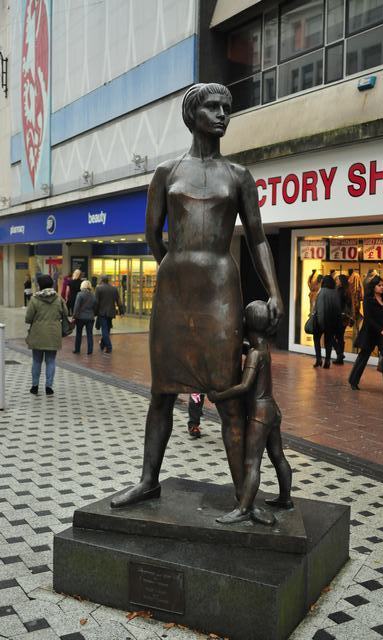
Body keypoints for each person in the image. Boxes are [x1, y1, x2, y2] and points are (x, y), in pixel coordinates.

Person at [111, 83, 283, 509]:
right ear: (192, 114)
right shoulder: (167, 173)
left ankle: (245, 498)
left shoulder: (238, 176)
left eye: (227, 107)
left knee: (228, 398)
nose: (223, 114)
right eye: (213, 106)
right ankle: (149, 480)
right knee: (162, 392)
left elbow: (258, 239)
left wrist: (275, 292)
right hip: (174, 294)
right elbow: (152, 233)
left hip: (221, 292)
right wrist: (175, 269)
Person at [209, 301, 293, 525]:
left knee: (251, 462)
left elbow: (245, 386)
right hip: (272, 409)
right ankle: (286, 498)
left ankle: (244, 508)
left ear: (247, 323)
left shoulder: (255, 355)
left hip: (260, 413)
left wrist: (219, 395)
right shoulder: (264, 347)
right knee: (277, 456)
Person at [348, 276, 383, 396]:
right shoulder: (368, 299)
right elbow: (369, 319)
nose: (382, 287)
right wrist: (380, 329)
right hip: (371, 333)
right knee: (363, 358)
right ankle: (353, 381)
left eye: (382, 285)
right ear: (373, 287)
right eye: (379, 285)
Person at [25, 274, 69, 396]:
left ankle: (34, 386)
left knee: (36, 361)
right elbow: (65, 313)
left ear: (40, 285)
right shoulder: (59, 299)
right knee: (51, 361)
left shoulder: (34, 299)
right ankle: (49, 387)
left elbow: (28, 318)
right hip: (53, 334)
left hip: (37, 334)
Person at [312, 275, 343, 369]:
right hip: (332, 321)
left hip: (321, 321)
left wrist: (321, 323)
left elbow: (320, 309)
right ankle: (327, 361)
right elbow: (338, 309)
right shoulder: (335, 293)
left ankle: (318, 359)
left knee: (316, 339)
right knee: (328, 342)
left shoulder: (322, 292)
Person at [95, 275, 124, 353]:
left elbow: (96, 302)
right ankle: (102, 345)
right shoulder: (114, 289)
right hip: (111, 312)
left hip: (102, 312)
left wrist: (95, 312)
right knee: (107, 330)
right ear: (108, 280)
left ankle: (109, 347)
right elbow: (118, 301)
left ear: (101, 280)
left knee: (104, 330)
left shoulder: (98, 288)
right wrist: (121, 311)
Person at [333, 274, 353, 365]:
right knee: (339, 337)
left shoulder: (343, 291)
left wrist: (347, 315)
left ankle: (339, 355)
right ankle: (340, 356)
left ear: (341, 281)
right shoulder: (340, 290)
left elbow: (347, 305)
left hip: (341, 317)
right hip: (340, 317)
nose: (336, 281)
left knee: (336, 336)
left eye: (338, 280)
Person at [72, 280, 96, 355]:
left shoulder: (80, 294)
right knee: (90, 334)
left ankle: (77, 349)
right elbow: (95, 306)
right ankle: (90, 350)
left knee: (79, 334)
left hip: (80, 317)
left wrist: (74, 316)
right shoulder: (93, 295)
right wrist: (93, 314)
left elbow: (76, 306)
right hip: (90, 317)